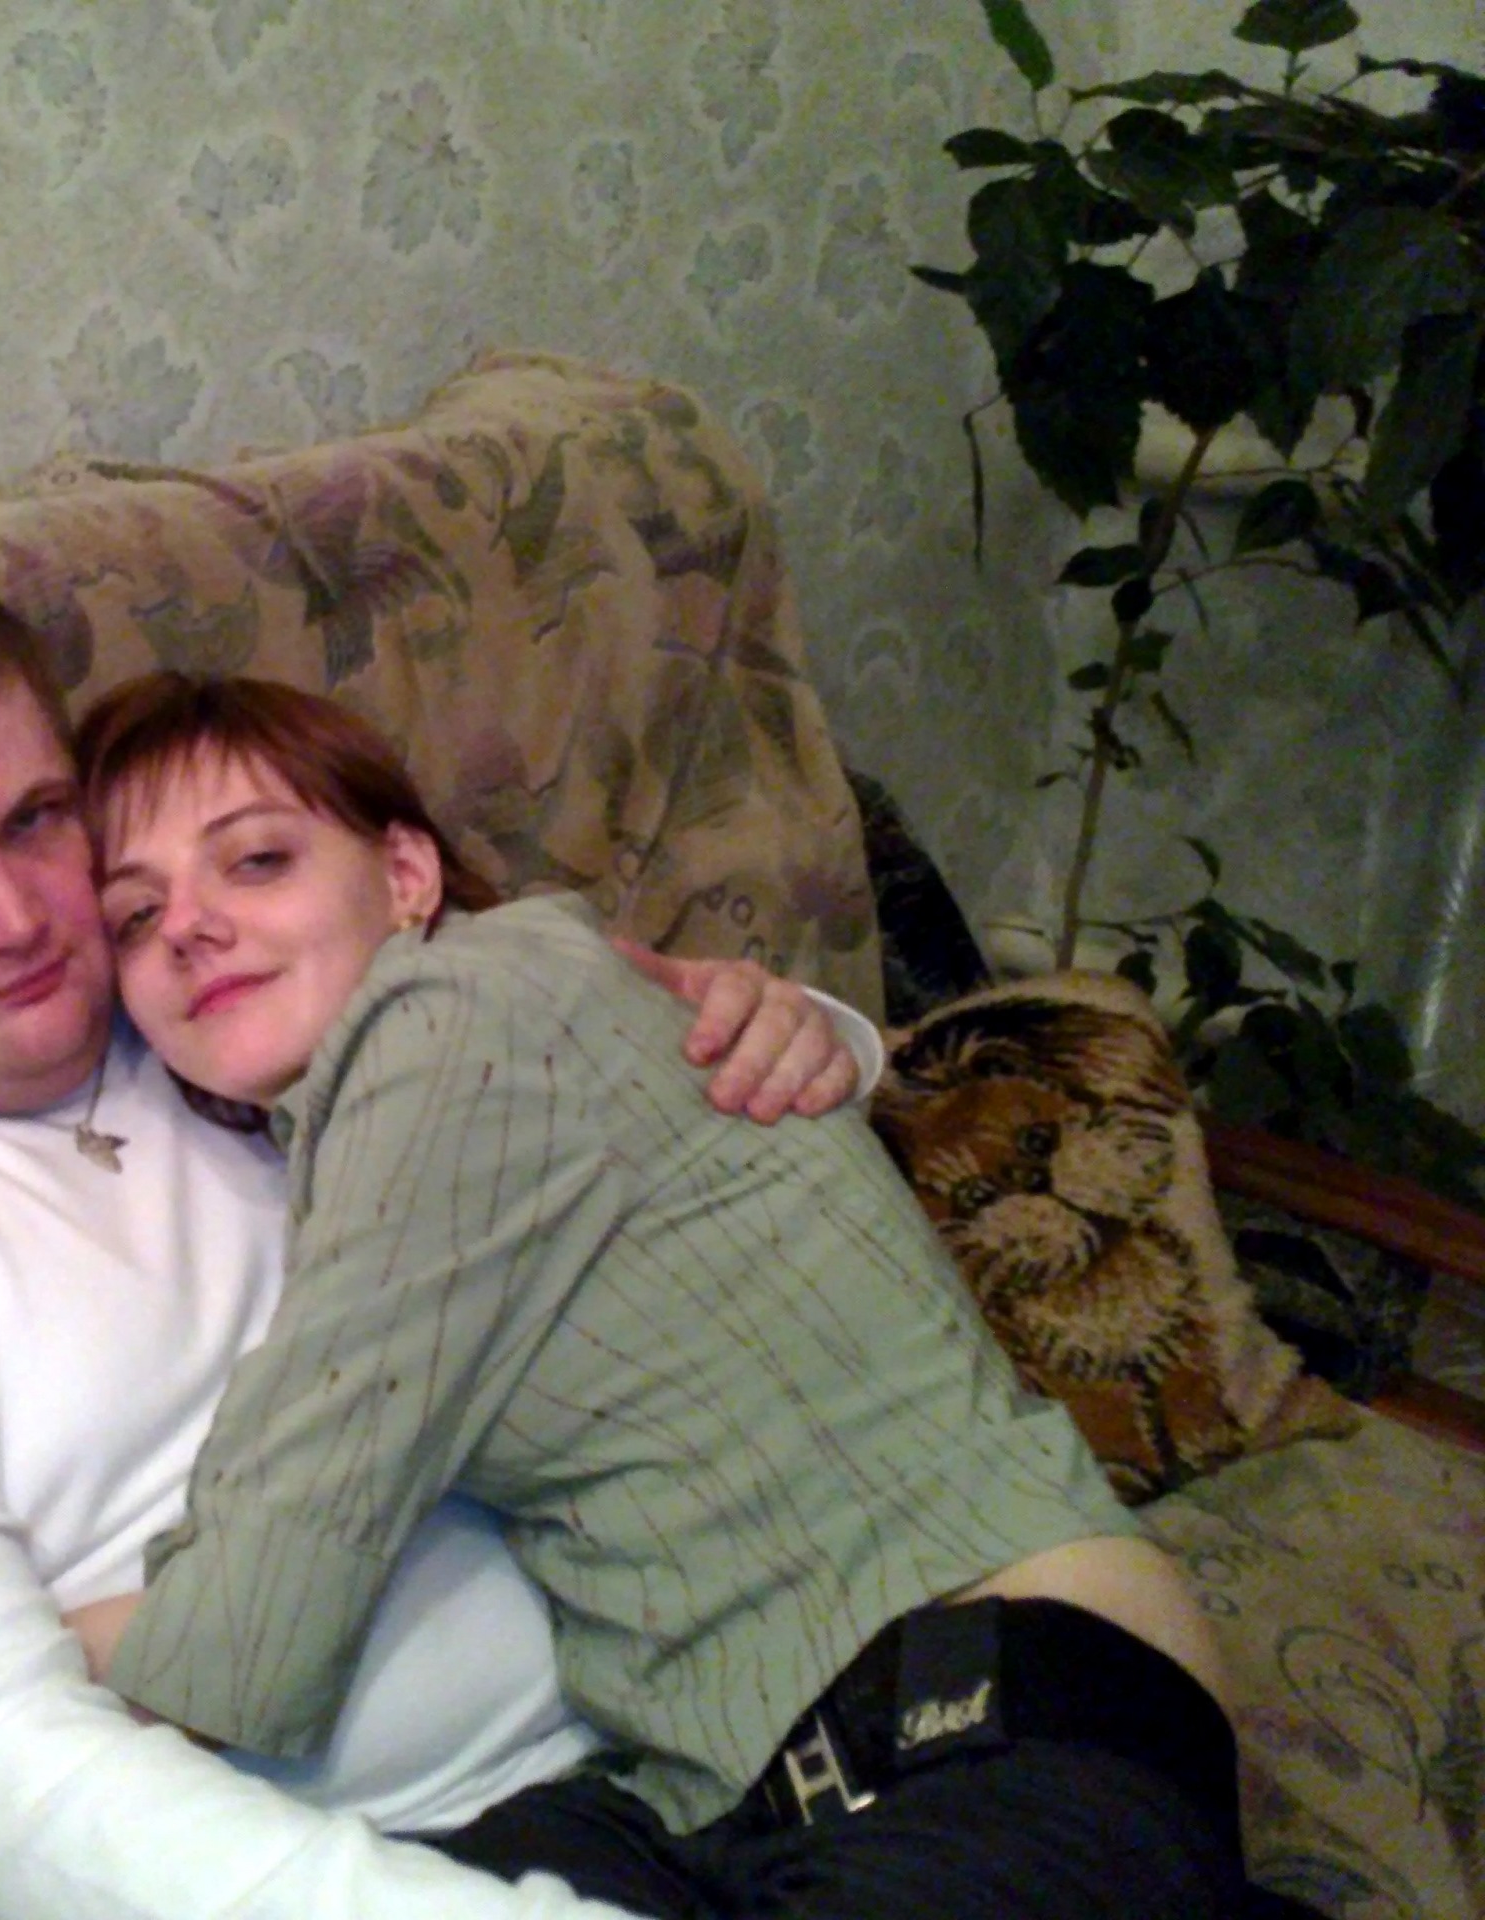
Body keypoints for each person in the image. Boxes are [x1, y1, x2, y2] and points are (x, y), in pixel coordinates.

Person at [0, 562, 872, 1920]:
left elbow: (574, 1087)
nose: (17, 921)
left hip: (736, 1710)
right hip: (408, 1860)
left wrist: (792, 1037)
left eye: (36, 820)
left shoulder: (197, 974)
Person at [65, 670, 1260, 1920]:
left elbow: (252, 1620)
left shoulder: (450, 1019)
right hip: (716, 1796)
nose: (186, 926)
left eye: (256, 860)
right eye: (134, 917)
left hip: (995, 1717)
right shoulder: (420, 1066)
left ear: (406, 875)